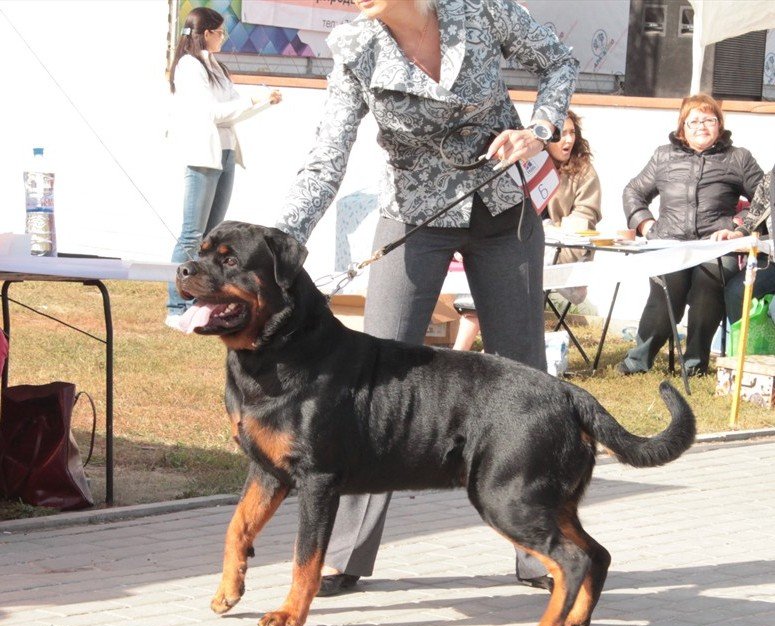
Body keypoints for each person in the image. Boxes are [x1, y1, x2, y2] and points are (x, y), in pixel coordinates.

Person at [275, 0, 578, 595]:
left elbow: (561, 60)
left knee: (523, 380)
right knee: (373, 385)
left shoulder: (482, 11)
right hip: (414, 213)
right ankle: (345, 554)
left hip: (503, 210)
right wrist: (283, 242)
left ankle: (538, 547)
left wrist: (538, 129)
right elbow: (325, 160)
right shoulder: (356, 47)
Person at [617, 93, 762, 376]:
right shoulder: (663, 156)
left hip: (716, 248)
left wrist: (737, 228)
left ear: (720, 125)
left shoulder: (739, 158)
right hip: (668, 244)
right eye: (694, 121)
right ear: (682, 127)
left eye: (709, 120)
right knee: (665, 292)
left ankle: (694, 364)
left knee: (708, 286)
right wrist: (645, 224)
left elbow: (764, 201)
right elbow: (633, 191)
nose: (701, 126)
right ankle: (637, 361)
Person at [166, 7, 281, 326]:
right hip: (204, 154)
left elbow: (231, 112)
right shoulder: (189, 67)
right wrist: (254, 100)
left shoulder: (214, 65)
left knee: (210, 238)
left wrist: (261, 102)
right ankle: (176, 306)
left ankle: (201, 300)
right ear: (206, 33)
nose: (223, 38)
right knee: (192, 234)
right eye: (220, 32)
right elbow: (212, 114)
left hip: (226, 152)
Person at [452, 109, 602, 351]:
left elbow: (583, 220)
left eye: (572, 133)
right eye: (561, 134)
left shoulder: (584, 172)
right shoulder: (525, 163)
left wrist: (548, 239)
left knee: (507, 273)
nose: (568, 140)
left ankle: (471, 352)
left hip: (561, 253)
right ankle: (465, 352)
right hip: (516, 245)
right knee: (491, 268)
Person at [711, 168, 775, 324]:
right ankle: (747, 347)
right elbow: (754, 215)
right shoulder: (771, 177)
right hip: (772, 261)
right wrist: (738, 234)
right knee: (736, 293)